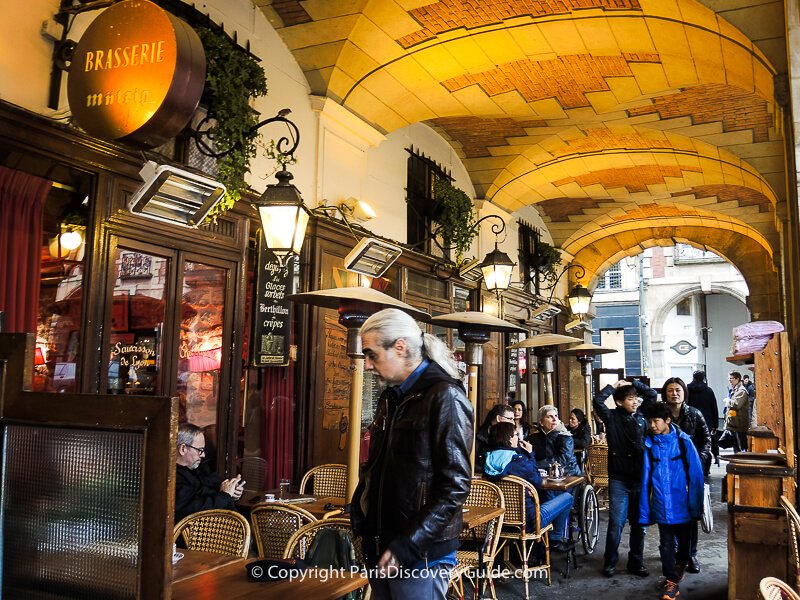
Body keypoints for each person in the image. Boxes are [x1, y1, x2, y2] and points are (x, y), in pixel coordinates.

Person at [351, 308, 473, 600]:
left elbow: (455, 486)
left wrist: (409, 545)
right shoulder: (392, 397)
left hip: (420, 554)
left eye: (372, 354)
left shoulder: (445, 396)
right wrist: (361, 520)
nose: (367, 365)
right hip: (383, 546)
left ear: (400, 347)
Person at [593, 378, 657, 578]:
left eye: (636, 398)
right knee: (616, 523)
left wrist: (634, 384)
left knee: (639, 524)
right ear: (620, 402)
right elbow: (598, 401)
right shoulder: (611, 417)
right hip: (619, 480)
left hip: (640, 479)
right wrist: (614, 386)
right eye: (631, 399)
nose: (636, 402)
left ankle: (635, 563)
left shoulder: (642, 417)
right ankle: (610, 562)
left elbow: (652, 395)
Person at [640, 402, 704, 600]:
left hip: (683, 503)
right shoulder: (649, 445)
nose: (652, 425)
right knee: (666, 544)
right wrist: (645, 510)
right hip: (660, 503)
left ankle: (678, 569)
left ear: (667, 420)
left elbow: (696, 475)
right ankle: (671, 582)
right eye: (649, 421)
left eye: (655, 421)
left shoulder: (684, 442)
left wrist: (696, 506)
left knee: (684, 545)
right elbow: (645, 479)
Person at [483, 421, 573, 551]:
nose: (518, 438)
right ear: (509, 438)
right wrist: (530, 454)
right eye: (515, 435)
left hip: (498, 521)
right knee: (567, 497)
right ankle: (555, 539)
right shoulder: (518, 460)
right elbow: (537, 481)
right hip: (529, 521)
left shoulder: (487, 459)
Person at [661, 376, 711, 573]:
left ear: (684, 393)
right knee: (669, 512)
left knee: (691, 515)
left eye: (678, 390)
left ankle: (691, 554)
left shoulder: (694, 413)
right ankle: (673, 552)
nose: (675, 393)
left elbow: (707, 439)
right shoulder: (661, 415)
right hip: (666, 472)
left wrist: (698, 459)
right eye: (671, 390)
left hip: (690, 472)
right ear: (665, 393)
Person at [174, 422, 244, 522]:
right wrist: (225, 495)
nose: (203, 455)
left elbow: (220, 486)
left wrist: (234, 491)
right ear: (183, 449)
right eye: (200, 450)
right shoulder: (174, 478)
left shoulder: (200, 468)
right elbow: (193, 510)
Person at [528, 404, 580, 477]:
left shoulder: (565, 437)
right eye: (550, 417)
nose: (555, 419)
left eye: (556, 416)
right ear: (541, 422)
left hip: (568, 474)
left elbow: (562, 460)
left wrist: (536, 465)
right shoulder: (534, 437)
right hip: (543, 473)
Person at [687, 370, 720, 469]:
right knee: (705, 444)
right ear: (703, 378)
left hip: (691, 420)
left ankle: (694, 465)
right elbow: (714, 407)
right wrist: (715, 424)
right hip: (707, 421)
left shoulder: (687, 390)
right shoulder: (709, 390)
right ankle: (705, 467)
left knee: (692, 443)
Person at [475, 403, 515, 473]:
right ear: (499, 418)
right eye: (510, 419)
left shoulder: (511, 438)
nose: (513, 423)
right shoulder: (477, 441)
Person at [725, 371, 750, 453]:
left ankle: (742, 463)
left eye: (731, 378)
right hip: (734, 423)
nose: (729, 380)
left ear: (737, 379)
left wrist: (728, 401)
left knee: (740, 447)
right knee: (736, 446)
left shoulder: (741, 391)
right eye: (729, 378)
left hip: (739, 424)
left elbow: (736, 404)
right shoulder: (735, 389)